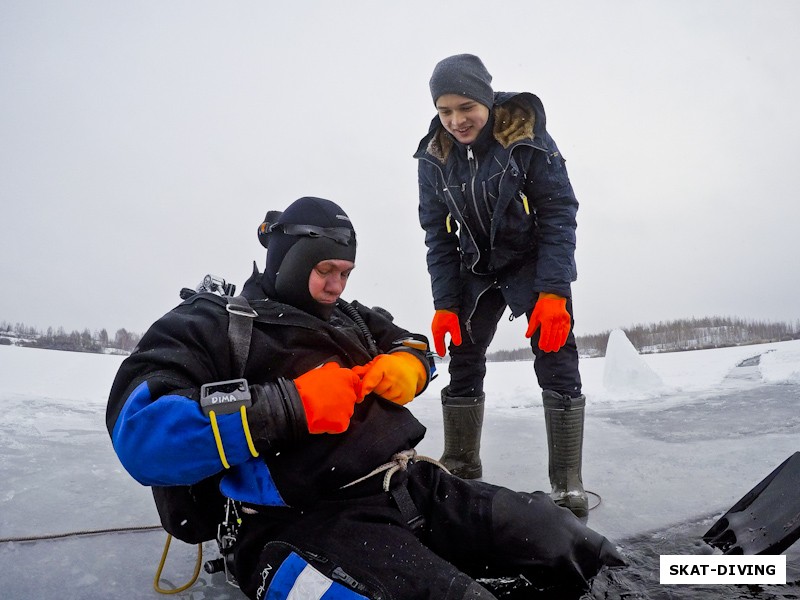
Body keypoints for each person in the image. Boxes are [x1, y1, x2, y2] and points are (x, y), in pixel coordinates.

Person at [107, 196, 623, 599]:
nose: (336, 285)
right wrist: (289, 405)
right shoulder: (214, 325)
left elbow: (414, 344)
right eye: (325, 271)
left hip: (406, 488)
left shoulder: (350, 315)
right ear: (288, 261)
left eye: (345, 273)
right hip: (296, 522)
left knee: (568, 543)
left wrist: (409, 367)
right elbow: (140, 431)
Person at [414, 54, 589, 518]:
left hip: (530, 261)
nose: (456, 120)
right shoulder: (434, 157)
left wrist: (553, 291)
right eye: (445, 110)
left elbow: (558, 214)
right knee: (464, 361)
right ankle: (461, 465)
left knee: (556, 356)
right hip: (474, 266)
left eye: (465, 106)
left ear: (486, 99)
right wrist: (445, 303)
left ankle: (567, 482)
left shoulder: (525, 140)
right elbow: (438, 235)